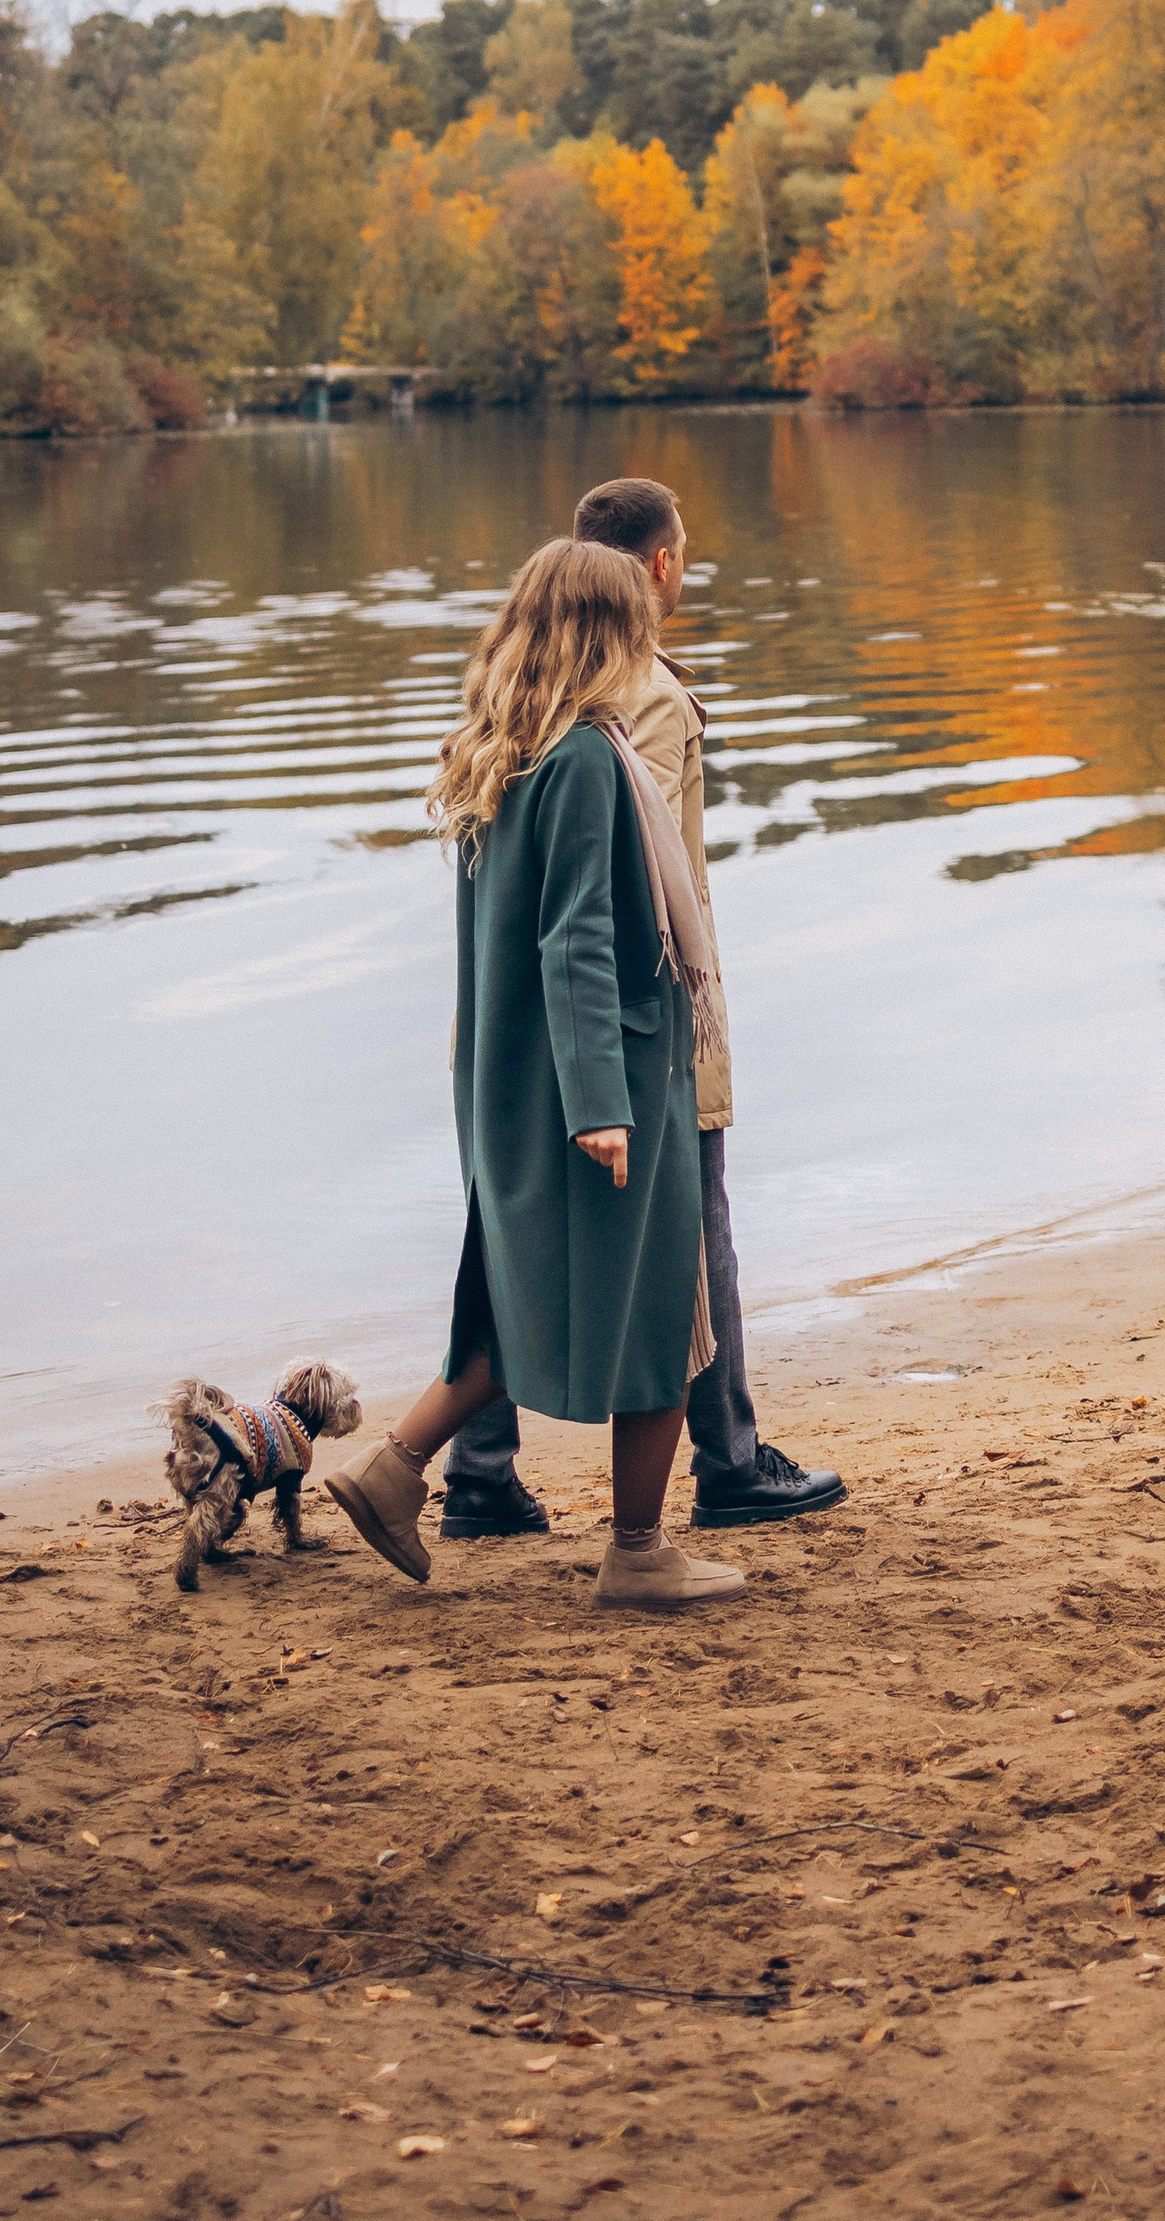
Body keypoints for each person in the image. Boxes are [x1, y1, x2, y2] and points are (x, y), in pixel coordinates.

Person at [326, 538, 746, 1612]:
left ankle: (392, 1471)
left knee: (527, 1293)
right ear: (614, 631)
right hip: (594, 1086)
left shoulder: (499, 751)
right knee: (668, 1307)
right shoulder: (590, 763)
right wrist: (603, 1102)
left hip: (509, 1080)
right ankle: (640, 1552)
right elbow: (578, 941)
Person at [438, 475, 845, 1538]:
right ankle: (726, 1461)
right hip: (622, 1033)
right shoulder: (635, 703)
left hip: (508, 1035)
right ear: (655, 570)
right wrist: (616, 1076)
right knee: (687, 1245)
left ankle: (477, 1476)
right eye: (685, 554)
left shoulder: (508, 696)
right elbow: (621, 886)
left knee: (508, 1237)